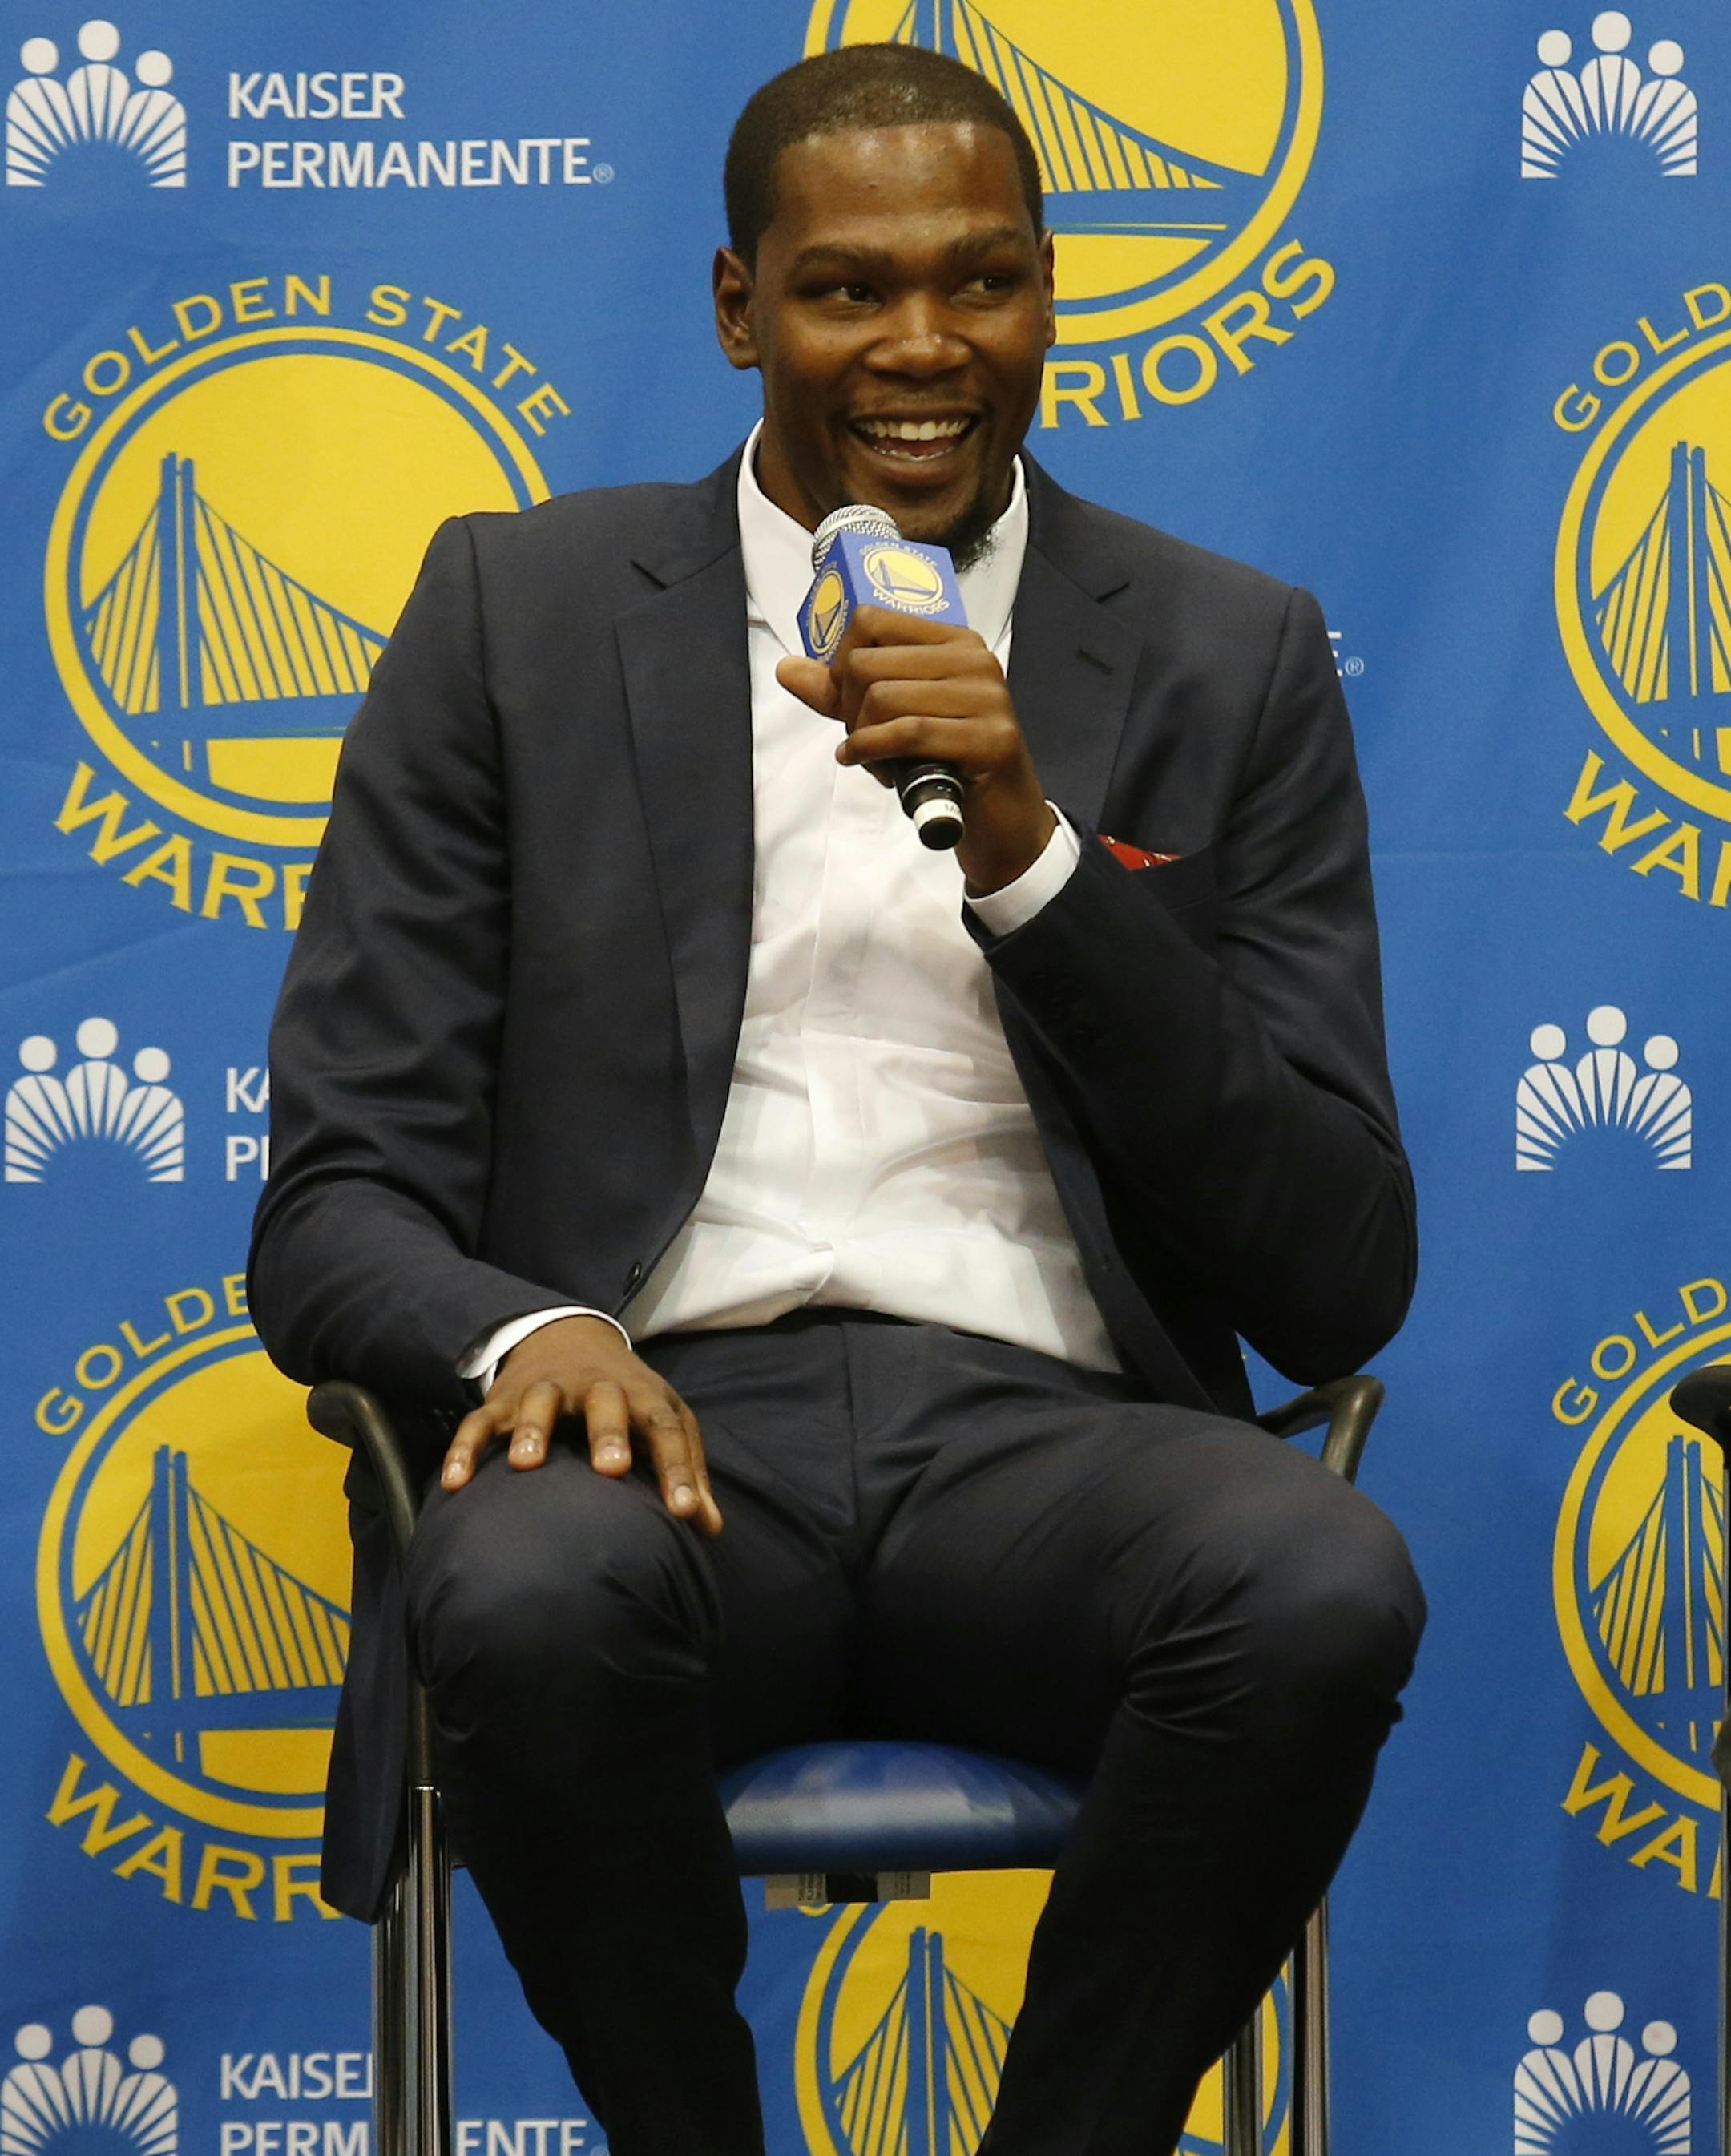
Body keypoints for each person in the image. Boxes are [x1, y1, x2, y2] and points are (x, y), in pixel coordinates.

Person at [250, 42, 1425, 2156]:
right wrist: (540, 1332)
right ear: (735, 307)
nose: (922, 346)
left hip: (1060, 1452)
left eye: (983, 282)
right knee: (511, 1590)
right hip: (670, 1438)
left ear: (1053, 295)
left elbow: (1339, 1275)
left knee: (1323, 1579)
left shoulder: (1224, 655)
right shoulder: (512, 617)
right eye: (848, 288)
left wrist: (1039, 859)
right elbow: (337, 1200)